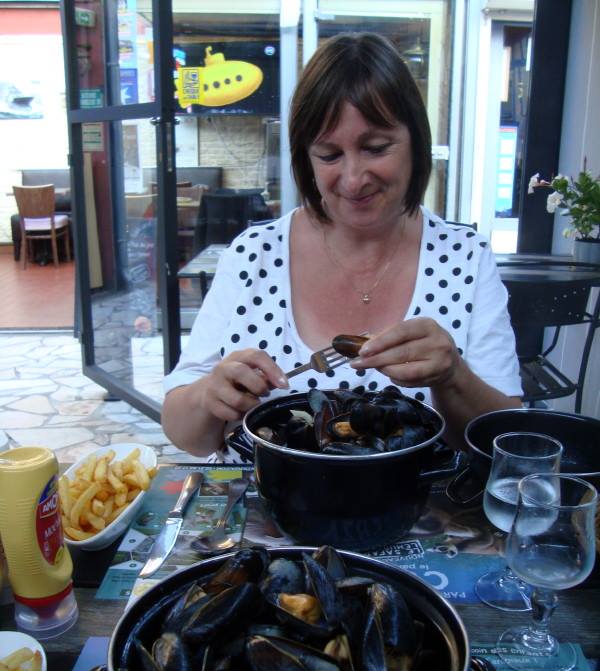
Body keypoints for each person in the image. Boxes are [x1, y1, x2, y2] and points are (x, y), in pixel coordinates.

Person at [162, 32, 522, 461]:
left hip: (417, 519)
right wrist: (209, 396)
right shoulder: (252, 254)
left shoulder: (466, 257)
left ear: (416, 145)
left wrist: (453, 377)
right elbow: (187, 435)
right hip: (265, 518)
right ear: (305, 160)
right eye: (329, 155)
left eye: (375, 148)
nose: (353, 179)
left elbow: (510, 443)